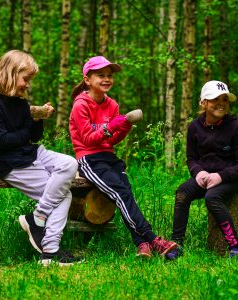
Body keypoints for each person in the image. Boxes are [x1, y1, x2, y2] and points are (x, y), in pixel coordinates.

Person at [0, 50, 83, 266]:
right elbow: (4, 141)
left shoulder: (20, 101)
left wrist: (37, 118)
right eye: (26, 79)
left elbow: (33, 136)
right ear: (10, 73)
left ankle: (37, 217)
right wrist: (29, 121)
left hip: (32, 153)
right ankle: (50, 251)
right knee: (64, 196)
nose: (27, 85)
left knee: (70, 163)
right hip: (11, 164)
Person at [69, 56, 177, 258]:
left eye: (110, 75)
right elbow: (88, 138)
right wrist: (111, 127)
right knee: (121, 193)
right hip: (89, 159)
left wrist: (124, 127)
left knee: (125, 193)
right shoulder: (80, 105)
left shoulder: (112, 105)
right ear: (87, 79)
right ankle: (152, 238)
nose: (107, 79)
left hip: (109, 157)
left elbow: (111, 141)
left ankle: (141, 244)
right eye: (101, 75)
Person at [166, 80, 238, 260]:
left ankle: (235, 245)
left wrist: (220, 176)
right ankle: (177, 243)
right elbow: (191, 158)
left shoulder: (234, 127)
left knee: (212, 197)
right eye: (215, 99)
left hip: (230, 179)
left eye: (225, 99)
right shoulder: (195, 127)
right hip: (205, 178)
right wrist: (199, 173)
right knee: (182, 193)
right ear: (203, 103)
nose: (221, 103)